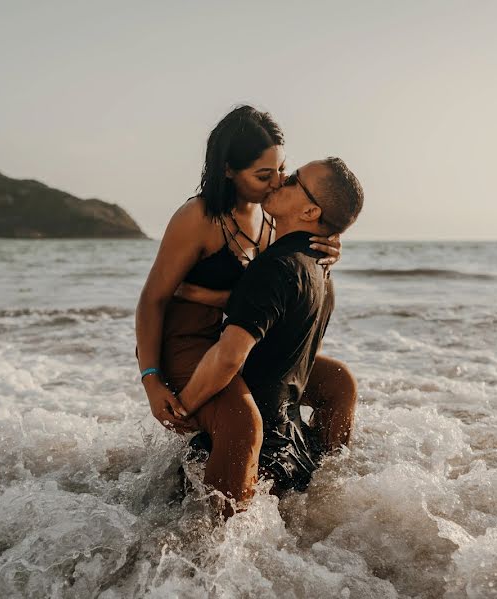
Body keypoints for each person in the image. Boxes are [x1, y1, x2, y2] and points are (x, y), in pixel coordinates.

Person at [135, 106, 357, 507]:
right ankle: (215, 542)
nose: (277, 183)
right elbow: (152, 301)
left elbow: (268, 291)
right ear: (228, 171)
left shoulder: (269, 215)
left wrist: (323, 244)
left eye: (282, 171)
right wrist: (151, 379)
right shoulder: (198, 218)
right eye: (263, 175)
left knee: (337, 382)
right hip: (186, 345)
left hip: (232, 340)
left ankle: (322, 494)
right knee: (243, 422)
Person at [174, 157, 364, 500]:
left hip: (251, 457)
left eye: (293, 180)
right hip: (297, 454)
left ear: (310, 213)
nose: (280, 181)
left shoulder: (275, 267)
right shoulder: (322, 269)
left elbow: (230, 356)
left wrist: (183, 408)